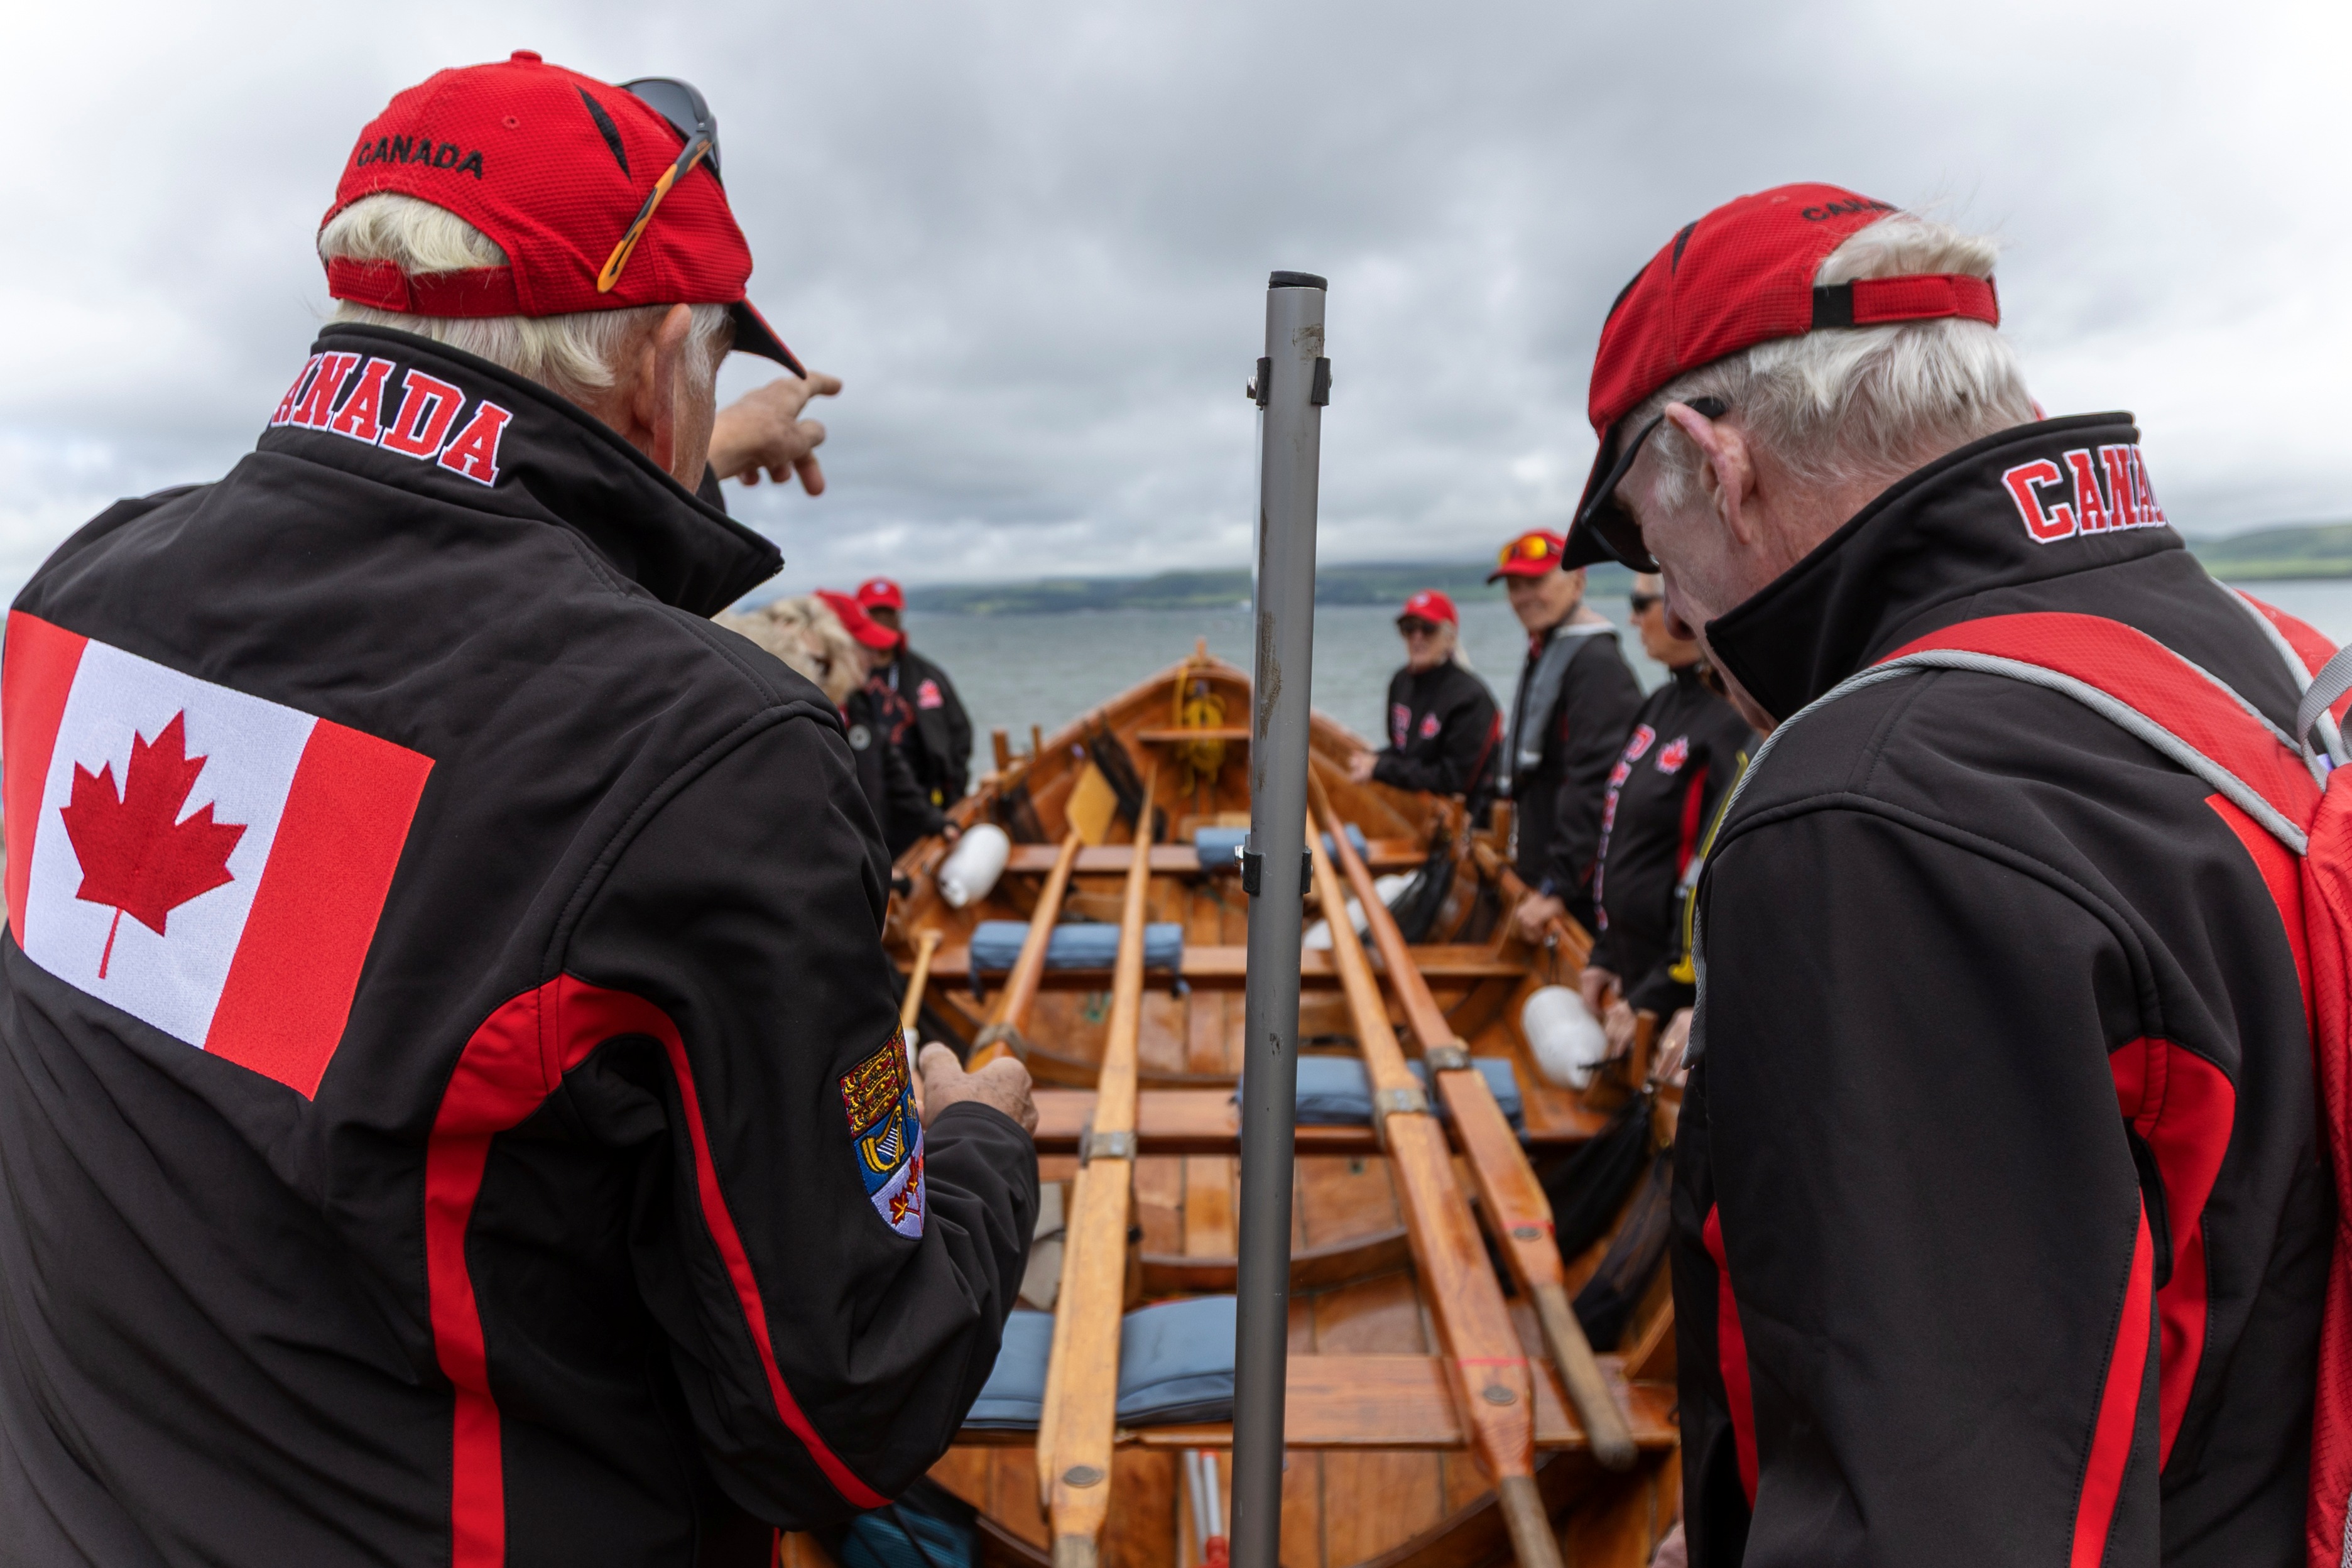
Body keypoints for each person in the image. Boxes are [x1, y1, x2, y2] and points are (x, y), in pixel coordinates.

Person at [0, 57, 1038, 1567]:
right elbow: (836, 1410)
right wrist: (971, 1157)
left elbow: (429, 538)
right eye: (701, 363)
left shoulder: (76, 611)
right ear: (661, 352)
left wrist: (675, 468)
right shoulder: (709, 758)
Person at [1564, 183, 2328, 1567]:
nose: (1671, 604)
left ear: (1711, 457)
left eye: (1641, 542)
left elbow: (1943, 1508)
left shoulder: (1874, 805)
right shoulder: (2293, 679)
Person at [1579, 574, 1753, 1057]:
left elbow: (1714, 874)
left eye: (1642, 603)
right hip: (1631, 972)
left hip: (1669, 990)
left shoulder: (1731, 723)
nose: (1633, 617)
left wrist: (1663, 992)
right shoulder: (1658, 704)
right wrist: (1605, 951)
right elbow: (1620, 835)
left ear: (1687, 604)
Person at [1490, 529, 1643, 940]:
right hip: (1540, 871)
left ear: (1578, 581)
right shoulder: (1545, 647)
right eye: (1514, 586)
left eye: (1536, 582)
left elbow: (1598, 782)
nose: (1523, 597)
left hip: (1576, 894)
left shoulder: (1596, 666)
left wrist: (1558, 886)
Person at [817, 589, 951, 859]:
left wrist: (933, 819)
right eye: (865, 648)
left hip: (883, 841)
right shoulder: (804, 713)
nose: (873, 658)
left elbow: (888, 765)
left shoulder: (855, 705)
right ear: (833, 650)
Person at [1345, 589, 1500, 806]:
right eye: (1409, 629)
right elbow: (1403, 749)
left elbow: (1453, 780)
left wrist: (1379, 767)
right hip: (1418, 807)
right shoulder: (1400, 682)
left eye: (1428, 628)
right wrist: (1368, 760)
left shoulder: (1470, 698)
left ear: (1450, 637)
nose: (1417, 637)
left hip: (1467, 818)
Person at [857, 576, 974, 808]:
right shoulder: (847, 678)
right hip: (868, 800)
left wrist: (954, 789)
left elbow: (960, 732)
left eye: (888, 613)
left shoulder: (926, 675)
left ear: (899, 617)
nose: (882, 621)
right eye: (874, 614)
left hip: (925, 796)